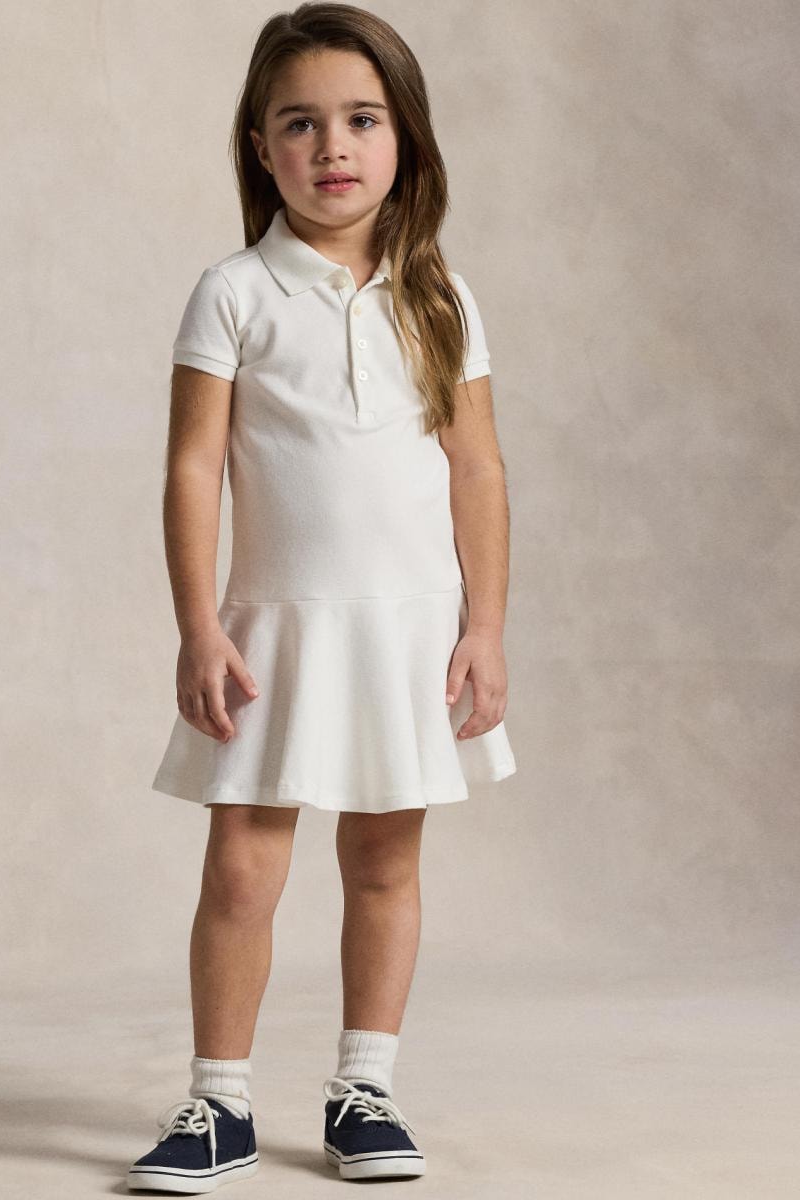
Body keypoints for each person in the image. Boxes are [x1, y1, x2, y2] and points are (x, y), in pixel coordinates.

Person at [127, 2, 517, 1191]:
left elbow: (477, 469)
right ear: (261, 147)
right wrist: (198, 625)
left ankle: (365, 1090)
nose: (332, 146)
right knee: (241, 869)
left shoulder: (438, 297)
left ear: (405, 139)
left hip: (409, 632)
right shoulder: (234, 292)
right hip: (274, 632)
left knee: (385, 862)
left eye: (360, 120)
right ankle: (219, 1105)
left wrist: (485, 627)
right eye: (299, 123)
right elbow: (193, 465)